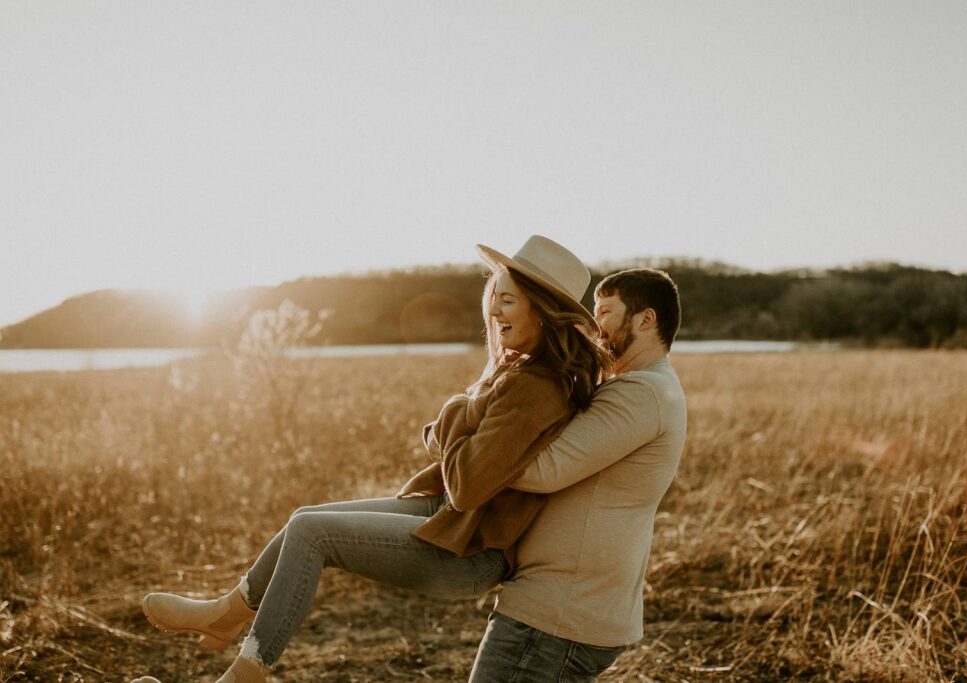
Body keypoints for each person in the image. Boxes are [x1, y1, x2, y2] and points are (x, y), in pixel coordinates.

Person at [131, 235, 612, 683]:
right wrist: (459, 425)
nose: (494, 310)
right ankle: (224, 614)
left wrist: (454, 411)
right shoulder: (521, 369)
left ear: (543, 312)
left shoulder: (535, 387)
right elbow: (451, 451)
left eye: (508, 300)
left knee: (312, 533)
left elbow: (467, 484)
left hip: (471, 550)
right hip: (450, 517)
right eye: (494, 297)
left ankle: (245, 670)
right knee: (304, 518)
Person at [467, 268, 687, 682]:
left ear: (646, 320)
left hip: (559, 613)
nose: (593, 325)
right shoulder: (641, 386)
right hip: (561, 606)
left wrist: (470, 448)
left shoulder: (642, 392)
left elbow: (542, 471)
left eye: (605, 312)